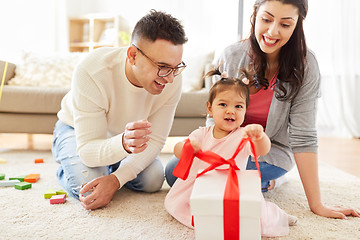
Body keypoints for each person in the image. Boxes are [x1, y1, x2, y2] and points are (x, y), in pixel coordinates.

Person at [166, 0, 360, 219]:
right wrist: (208, 149)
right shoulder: (230, 56)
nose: (273, 31)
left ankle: (270, 179)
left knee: (218, 177)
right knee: (174, 171)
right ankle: (261, 184)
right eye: (266, 19)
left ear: (297, 25)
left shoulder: (306, 66)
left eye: (285, 24)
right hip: (224, 147)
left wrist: (317, 204)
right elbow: (215, 118)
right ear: (255, 15)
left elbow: (303, 137)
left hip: (269, 152)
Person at [52, 10, 187, 210]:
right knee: (88, 190)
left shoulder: (172, 79)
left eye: (176, 68)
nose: (169, 78)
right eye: (162, 66)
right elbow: (89, 150)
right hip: (76, 130)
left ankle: (109, 166)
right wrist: (122, 145)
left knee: (152, 181)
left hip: (126, 139)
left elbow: (156, 140)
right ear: (132, 56)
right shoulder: (92, 70)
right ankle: (66, 157)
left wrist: (116, 179)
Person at [165, 68, 297, 237]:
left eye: (238, 106)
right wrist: (187, 147)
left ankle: (279, 216)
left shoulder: (243, 135)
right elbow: (178, 149)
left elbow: (263, 150)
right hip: (203, 185)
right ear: (210, 108)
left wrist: (259, 136)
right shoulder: (202, 133)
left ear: (245, 110)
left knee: (254, 217)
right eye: (223, 104)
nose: (230, 111)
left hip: (231, 188)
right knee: (184, 208)